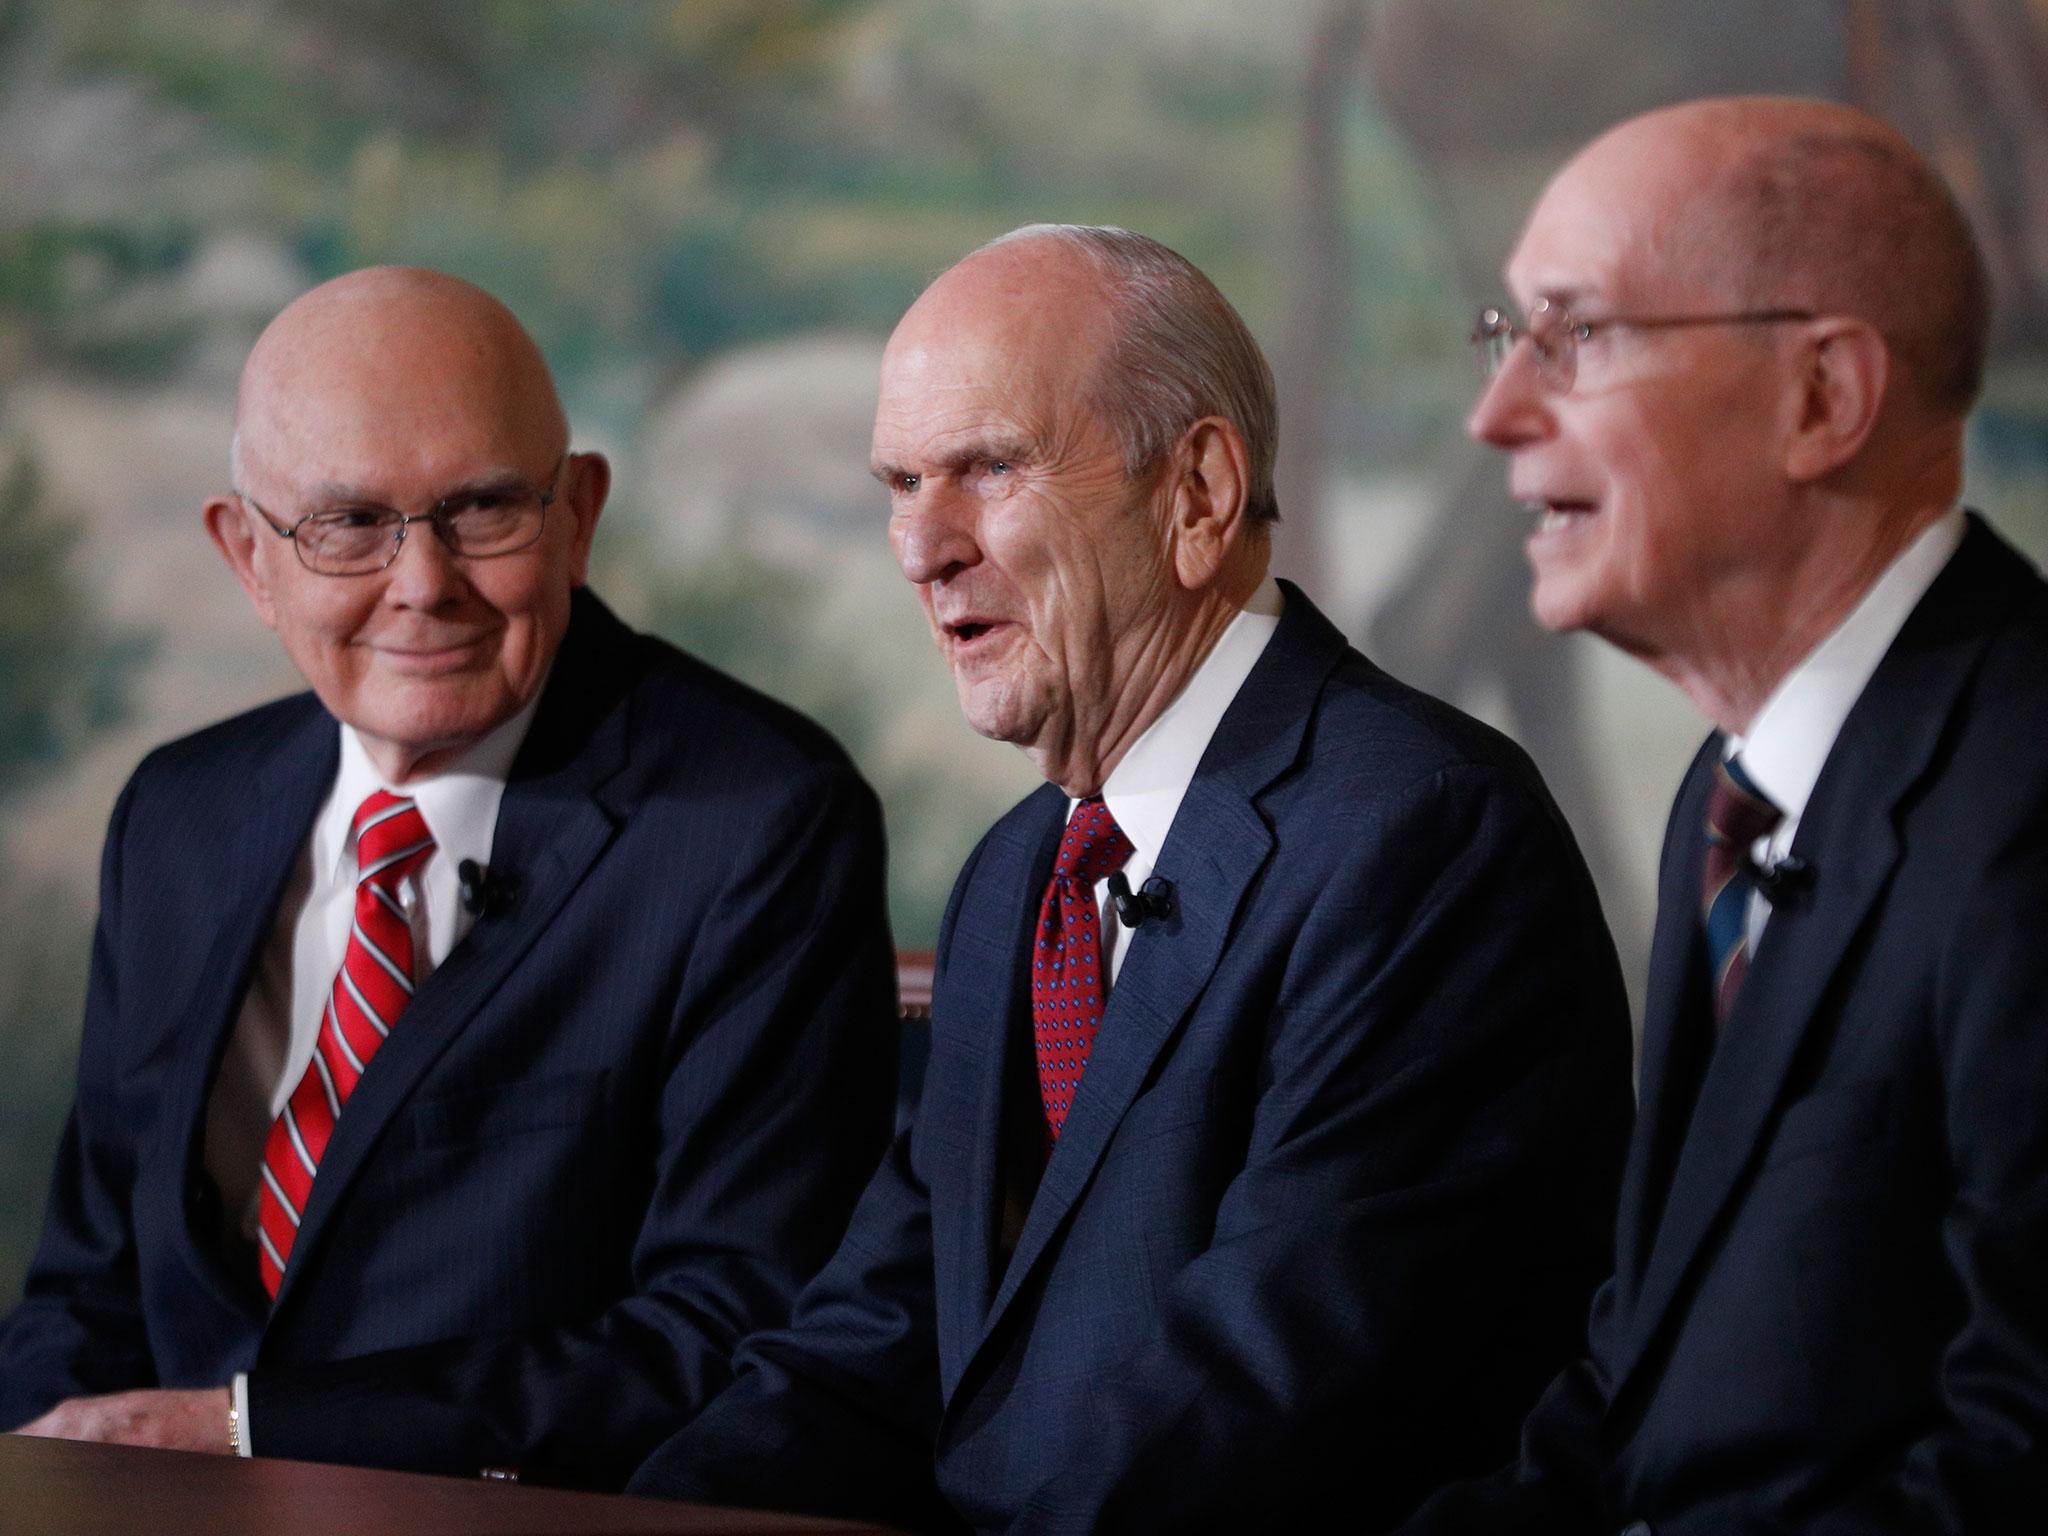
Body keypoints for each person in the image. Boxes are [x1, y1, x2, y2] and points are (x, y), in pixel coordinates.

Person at [629, 224, 1634, 1533]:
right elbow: (880, 1326)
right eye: (897, 483)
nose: (919, 545)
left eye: (987, 467)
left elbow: (1262, 1407)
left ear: (1200, 493)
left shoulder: (1420, 837)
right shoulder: (1017, 874)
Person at [0, 267, 896, 1489]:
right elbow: (85, 1286)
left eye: (481, 510)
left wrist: (249, 1433)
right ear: (246, 557)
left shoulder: (755, 823)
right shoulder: (179, 815)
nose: (423, 584)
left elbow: (725, 1330)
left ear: (577, 515)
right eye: (347, 523)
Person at [1404, 97, 2048, 1532]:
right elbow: (1642, 1386)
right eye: (1504, 339)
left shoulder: (2028, 798)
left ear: (1822, 395)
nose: (1497, 412)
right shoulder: (1735, 785)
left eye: (1574, 334)